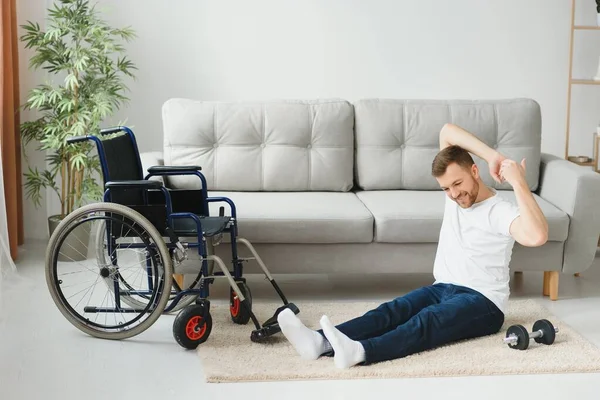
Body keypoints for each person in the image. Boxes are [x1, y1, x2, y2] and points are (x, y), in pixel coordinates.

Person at [276, 122, 549, 369]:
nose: (454, 194)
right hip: (443, 287)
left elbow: (537, 236)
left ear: (474, 172)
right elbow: (447, 132)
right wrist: (493, 156)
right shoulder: (454, 194)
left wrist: (518, 182)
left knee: (427, 321)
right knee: (391, 311)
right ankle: (320, 342)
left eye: (458, 184)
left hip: (483, 303)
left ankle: (360, 351)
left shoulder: (499, 211)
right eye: (446, 188)